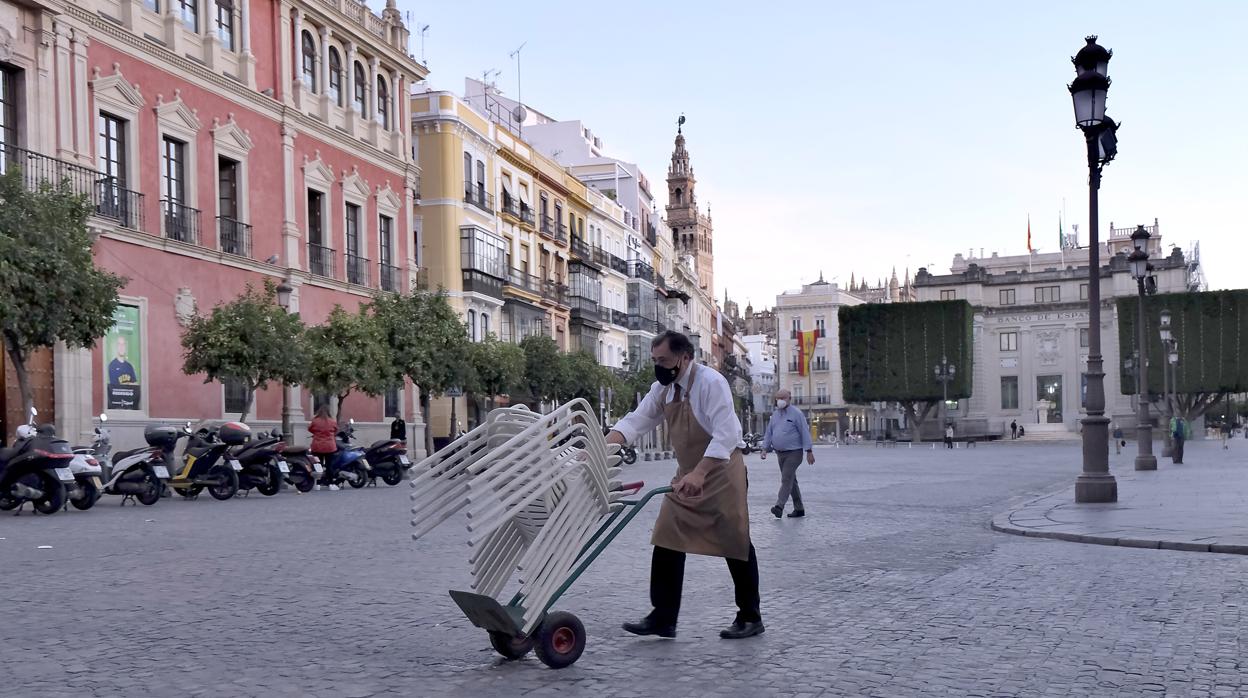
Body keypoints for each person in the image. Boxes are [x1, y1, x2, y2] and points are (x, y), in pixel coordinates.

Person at [608, 331, 762, 640]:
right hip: (687, 474)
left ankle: (750, 616)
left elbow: (726, 434)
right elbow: (636, 422)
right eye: (655, 361)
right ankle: (663, 617)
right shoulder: (662, 390)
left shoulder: (711, 383)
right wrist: (601, 448)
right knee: (667, 536)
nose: (658, 366)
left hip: (719, 471)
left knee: (735, 541)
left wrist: (701, 472)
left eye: (663, 360)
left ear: (685, 358)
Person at [759, 389, 813, 519]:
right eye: (778, 398)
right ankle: (799, 509)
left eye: (783, 397)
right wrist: (764, 449)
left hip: (794, 452)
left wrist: (809, 451)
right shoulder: (775, 415)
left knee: (786, 478)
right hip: (780, 453)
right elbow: (769, 433)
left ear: (789, 398)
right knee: (791, 481)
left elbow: (804, 432)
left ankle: (779, 506)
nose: (780, 400)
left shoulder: (797, 414)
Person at [309, 405, 340, 491]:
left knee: (318, 465)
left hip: (317, 445)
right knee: (329, 465)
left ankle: (318, 484)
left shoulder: (315, 421)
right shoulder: (332, 421)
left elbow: (310, 429)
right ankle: (331, 484)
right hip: (329, 446)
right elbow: (336, 430)